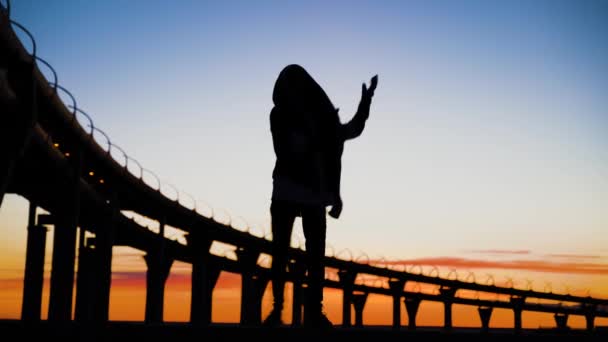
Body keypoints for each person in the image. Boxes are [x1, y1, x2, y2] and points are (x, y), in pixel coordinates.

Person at [264, 64, 377, 328]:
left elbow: (352, 129)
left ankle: (313, 311)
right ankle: (277, 310)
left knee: (314, 256)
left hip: (310, 193)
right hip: (287, 190)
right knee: (281, 251)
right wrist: (317, 142)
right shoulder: (279, 115)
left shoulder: (321, 119)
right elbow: (284, 151)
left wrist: (366, 101)